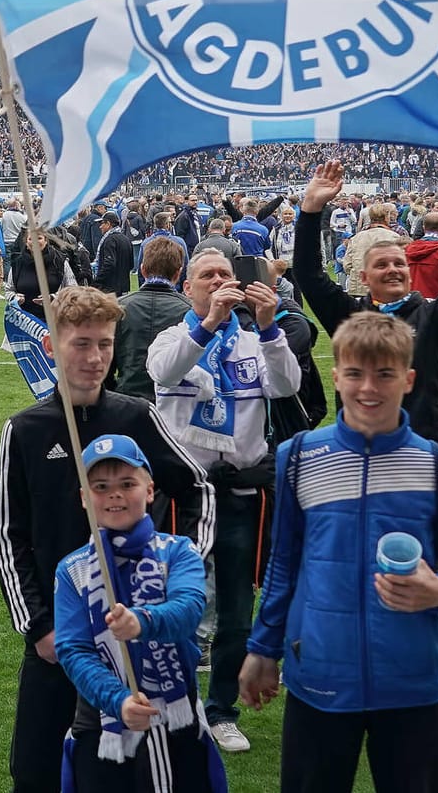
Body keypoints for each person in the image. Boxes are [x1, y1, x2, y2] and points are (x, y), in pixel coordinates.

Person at [294, 159, 438, 723]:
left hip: (421, 466)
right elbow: (308, 276)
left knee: (437, 583)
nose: (392, 270)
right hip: (352, 465)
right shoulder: (348, 315)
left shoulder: (434, 318)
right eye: (381, 264)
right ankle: (352, 683)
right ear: (364, 277)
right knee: (354, 579)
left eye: (398, 263)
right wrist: (310, 211)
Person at [239, 313, 438, 793]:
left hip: (413, 682)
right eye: (354, 374)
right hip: (320, 676)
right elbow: (284, 562)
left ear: (409, 379)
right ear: (335, 377)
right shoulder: (299, 456)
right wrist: (262, 649)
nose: (368, 388)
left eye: (385, 374)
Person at [0, 286, 215, 793]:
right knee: (36, 768)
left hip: (138, 633)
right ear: (51, 346)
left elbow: (197, 488)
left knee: (147, 766)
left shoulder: (136, 417)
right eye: (81, 344)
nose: (95, 358)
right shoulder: (25, 430)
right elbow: (9, 536)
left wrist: (177, 570)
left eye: (106, 344)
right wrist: (38, 627)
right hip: (61, 637)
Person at [146, 246, 302, 753]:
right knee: (175, 602)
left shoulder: (257, 343)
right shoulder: (174, 335)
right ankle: (173, 701)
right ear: (187, 288)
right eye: (206, 276)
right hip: (184, 494)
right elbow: (166, 373)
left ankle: (221, 710)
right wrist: (208, 325)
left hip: (239, 490)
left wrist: (269, 325)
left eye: (225, 275)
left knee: (237, 608)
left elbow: (287, 386)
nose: (217, 282)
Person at [53, 434, 223, 792]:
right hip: (102, 721)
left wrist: (143, 622)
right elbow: (73, 649)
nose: (115, 494)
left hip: (177, 717)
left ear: (149, 490)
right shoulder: (72, 569)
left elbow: (190, 608)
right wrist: (119, 701)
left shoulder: (178, 551)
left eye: (127, 483)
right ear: (84, 498)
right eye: (100, 486)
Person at [109, 237, 191, 401]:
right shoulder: (190, 312)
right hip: (172, 401)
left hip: (128, 398)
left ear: (143, 270)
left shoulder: (118, 308)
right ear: (178, 272)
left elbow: (105, 366)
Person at [92, 212, 132, 297]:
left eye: (102, 223)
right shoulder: (126, 239)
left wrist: (97, 280)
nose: (100, 227)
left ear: (108, 224)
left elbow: (109, 263)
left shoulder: (109, 240)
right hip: (124, 286)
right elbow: (131, 264)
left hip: (110, 288)